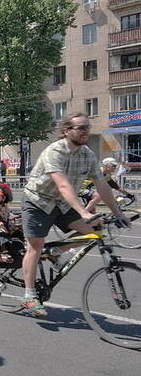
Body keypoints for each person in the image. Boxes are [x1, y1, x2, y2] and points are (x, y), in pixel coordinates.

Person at [20, 112, 130, 317]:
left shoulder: (87, 154)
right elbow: (62, 184)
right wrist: (83, 211)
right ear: (66, 130)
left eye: (87, 127)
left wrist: (119, 213)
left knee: (95, 231)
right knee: (36, 245)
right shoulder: (55, 151)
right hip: (38, 201)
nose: (85, 131)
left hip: (62, 204)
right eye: (80, 127)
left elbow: (102, 185)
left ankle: (56, 251)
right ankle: (29, 295)